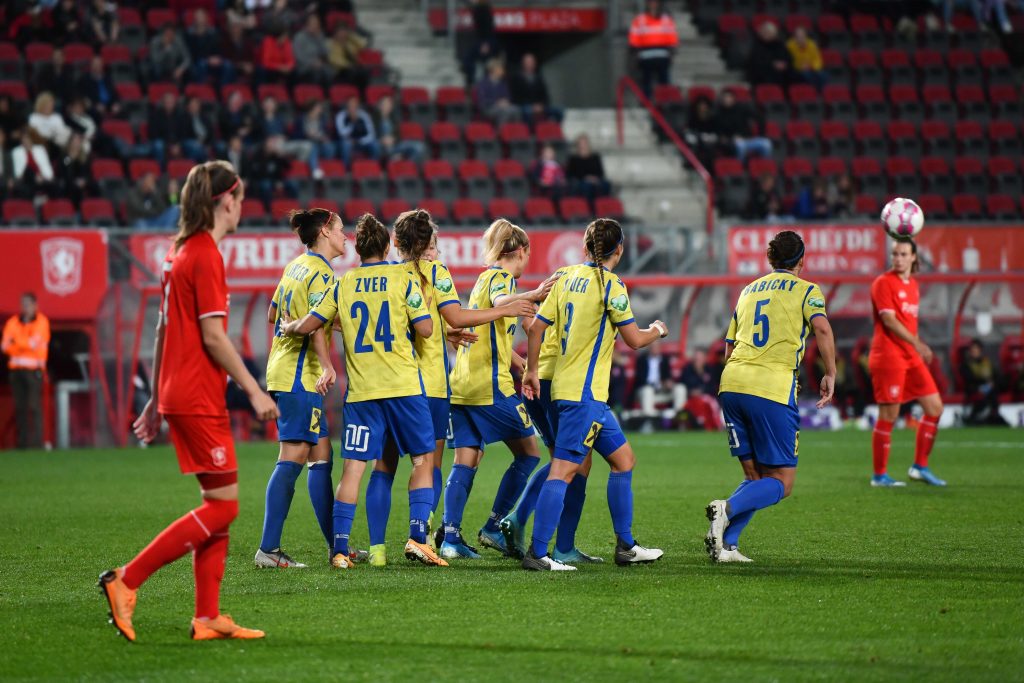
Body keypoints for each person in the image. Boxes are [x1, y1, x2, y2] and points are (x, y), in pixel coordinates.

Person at [102, 160, 278, 643]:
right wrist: (254, 389)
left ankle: (207, 617)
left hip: (181, 391)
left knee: (216, 503)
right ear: (227, 200)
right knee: (223, 510)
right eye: (239, 200)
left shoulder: (176, 252)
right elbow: (215, 338)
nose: (242, 208)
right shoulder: (203, 255)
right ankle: (126, 580)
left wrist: (156, 398)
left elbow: (162, 330)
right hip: (199, 394)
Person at [361, 209, 535, 565]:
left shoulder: (391, 275)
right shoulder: (437, 272)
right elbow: (457, 314)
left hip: (389, 382)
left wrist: (445, 332)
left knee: (384, 465)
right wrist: (499, 312)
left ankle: (381, 549)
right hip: (433, 385)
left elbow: (412, 324)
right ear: (428, 244)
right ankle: (421, 537)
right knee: (430, 463)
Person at [279, 214, 448, 569]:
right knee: (423, 460)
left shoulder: (343, 283)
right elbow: (428, 329)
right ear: (388, 246)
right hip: (404, 387)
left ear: (357, 248)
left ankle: (340, 549)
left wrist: (289, 325)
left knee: (354, 469)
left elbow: (311, 323)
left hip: (361, 394)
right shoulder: (402, 277)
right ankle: (418, 538)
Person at [522, 218, 667, 570]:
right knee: (563, 470)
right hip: (582, 397)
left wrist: (529, 369)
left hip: (575, 393)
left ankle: (627, 547)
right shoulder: (612, 285)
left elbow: (536, 328)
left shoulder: (566, 277)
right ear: (620, 249)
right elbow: (633, 340)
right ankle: (538, 554)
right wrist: (656, 330)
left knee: (624, 460)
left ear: (587, 248)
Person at [705, 230, 837, 563]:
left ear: (770, 259)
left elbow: (729, 344)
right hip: (771, 387)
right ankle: (726, 509)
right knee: (782, 482)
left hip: (732, 382)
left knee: (755, 476)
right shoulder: (808, 290)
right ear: (802, 260)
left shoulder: (748, 291)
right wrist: (830, 373)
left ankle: (728, 545)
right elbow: (821, 328)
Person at [441, 219, 555, 560]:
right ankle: (494, 526)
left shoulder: (482, 277)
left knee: (467, 458)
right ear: (520, 252)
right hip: (489, 387)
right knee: (530, 453)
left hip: (461, 383)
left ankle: (451, 538)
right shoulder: (502, 278)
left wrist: (519, 364)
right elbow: (504, 299)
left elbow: (493, 333)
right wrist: (532, 294)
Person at [254, 209, 346, 568]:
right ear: (325, 231)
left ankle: (336, 547)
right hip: (299, 377)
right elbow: (314, 325)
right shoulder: (323, 273)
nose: (345, 237)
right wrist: (326, 364)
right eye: (340, 230)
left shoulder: (295, 266)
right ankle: (268, 549)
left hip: (285, 369)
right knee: (291, 457)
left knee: (322, 456)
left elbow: (272, 314)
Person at [498, 261, 606, 566]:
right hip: (558, 382)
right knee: (575, 463)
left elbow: (530, 327)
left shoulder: (558, 281)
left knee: (562, 460)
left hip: (539, 381)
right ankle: (554, 545)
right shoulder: (589, 286)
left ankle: (520, 521)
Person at [868, 239, 946, 487]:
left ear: (914, 258)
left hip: (910, 356)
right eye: (895, 254)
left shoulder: (912, 284)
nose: (898, 258)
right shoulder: (883, 283)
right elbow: (889, 321)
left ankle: (920, 466)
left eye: (903, 254)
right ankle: (879, 475)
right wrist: (918, 343)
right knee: (889, 414)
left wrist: (914, 346)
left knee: (934, 407)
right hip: (889, 356)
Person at [2, 293, 49, 449]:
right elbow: (4, 346)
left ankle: (37, 444)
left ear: (35, 305)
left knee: (34, 406)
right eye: (22, 304)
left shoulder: (42, 322)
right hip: (16, 371)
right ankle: (22, 444)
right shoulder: (12, 322)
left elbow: (33, 344)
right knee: (20, 407)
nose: (25, 307)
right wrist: (22, 344)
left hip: (34, 371)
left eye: (28, 304)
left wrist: (15, 343)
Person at [628, 0, 679, 98]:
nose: (653, 5)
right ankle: (647, 103)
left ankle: (665, 102)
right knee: (646, 82)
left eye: (655, 2)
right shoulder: (639, 20)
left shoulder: (666, 20)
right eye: (651, 2)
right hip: (645, 56)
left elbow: (673, 39)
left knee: (664, 82)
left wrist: (672, 53)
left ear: (659, 4)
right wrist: (636, 54)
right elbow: (633, 40)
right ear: (647, 4)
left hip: (663, 55)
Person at [632, 339, 687, 421]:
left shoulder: (665, 360)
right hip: (645, 391)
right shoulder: (642, 360)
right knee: (648, 390)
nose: (655, 349)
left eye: (657, 346)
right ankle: (652, 419)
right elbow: (640, 379)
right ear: (649, 347)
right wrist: (655, 384)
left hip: (663, 391)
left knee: (680, 388)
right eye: (653, 346)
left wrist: (668, 383)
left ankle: (678, 416)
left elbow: (668, 376)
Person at [716, 90, 772, 163]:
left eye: (729, 97)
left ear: (734, 99)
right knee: (740, 145)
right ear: (721, 100)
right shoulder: (719, 114)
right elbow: (719, 133)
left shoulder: (742, 108)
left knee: (766, 143)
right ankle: (740, 167)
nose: (727, 100)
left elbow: (759, 117)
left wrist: (761, 134)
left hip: (748, 139)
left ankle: (764, 166)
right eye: (725, 98)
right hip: (733, 141)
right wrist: (729, 138)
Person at [960, 340, 1007, 425]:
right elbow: (969, 379)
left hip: (991, 388)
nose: (974, 351)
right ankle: (980, 417)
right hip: (975, 388)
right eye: (972, 349)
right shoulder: (966, 364)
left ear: (980, 350)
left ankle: (993, 414)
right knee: (987, 394)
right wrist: (985, 383)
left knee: (994, 390)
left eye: (976, 349)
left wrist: (992, 383)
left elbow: (997, 375)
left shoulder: (987, 362)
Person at [509, 53, 563, 125]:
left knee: (559, 111)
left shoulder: (539, 78)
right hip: (524, 105)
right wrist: (532, 106)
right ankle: (532, 132)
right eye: (528, 62)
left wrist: (542, 105)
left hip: (540, 106)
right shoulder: (517, 78)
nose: (530, 64)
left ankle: (553, 130)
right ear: (523, 63)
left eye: (532, 62)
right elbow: (515, 97)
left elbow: (545, 95)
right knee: (527, 111)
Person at [186, 9, 232, 86]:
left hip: (213, 60)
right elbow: (191, 53)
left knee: (228, 65)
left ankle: (223, 91)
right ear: (195, 18)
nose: (200, 19)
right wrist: (207, 59)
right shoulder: (190, 34)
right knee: (201, 65)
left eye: (202, 16)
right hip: (198, 61)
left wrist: (217, 58)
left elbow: (218, 48)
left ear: (206, 18)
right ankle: (201, 90)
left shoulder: (213, 33)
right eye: (198, 16)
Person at [565, 134, 610, 207]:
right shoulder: (573, 159)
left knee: (606, 184)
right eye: (581, 143)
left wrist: (595, 178)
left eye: (584, 143)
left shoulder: (595, 157)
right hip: (581, 180)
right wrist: (586, 178)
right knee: (586, 186)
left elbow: (600, 172)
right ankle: (589, 208)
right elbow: (570, 173)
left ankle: (604, 207)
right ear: (578, 145)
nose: (583, 145)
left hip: (595, 179)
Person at [462, 0, 499, 87]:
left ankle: (474, 82)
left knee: (470, 60)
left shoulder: (484, 9)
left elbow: (489, 27)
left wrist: (486, 44)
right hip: (482, 40)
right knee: (469, 60)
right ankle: (473, 80)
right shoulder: (478, 9)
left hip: (487, 41)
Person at [327, 22, 369, 95]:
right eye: (340, 32)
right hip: (338, 71)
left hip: (352, 69)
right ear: (335, 33)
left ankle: (362, 94)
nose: (342, 35)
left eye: (344, 32)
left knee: (364, 71)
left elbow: (363, 44)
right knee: (353, 72)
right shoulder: (331, 44)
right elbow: (334, 60)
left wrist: (351, 36)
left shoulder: (349, 43)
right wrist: (349, 65)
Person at [474, 60, 520, 125]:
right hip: (488, 108)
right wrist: (497, 102)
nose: (503, 71)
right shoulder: (482, 83)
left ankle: (516, 132)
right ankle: (500, 132)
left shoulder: (503, 83)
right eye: (500, 69)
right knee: (504, 112)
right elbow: (482, 100)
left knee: (516, 109)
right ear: (493, 70)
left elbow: (508, 96)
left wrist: (506, 101)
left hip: (503, 106)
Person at [335, 96, 380, 164]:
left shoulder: (364, 115)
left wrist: (361, 141)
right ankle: (347, 169)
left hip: (363, 142)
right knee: (346, 144)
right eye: (350, 105)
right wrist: (352, 123)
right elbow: (342, 133)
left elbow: (371, 133)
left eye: (354, 105)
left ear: (357, 105)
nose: (352, 107)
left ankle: (373, 165)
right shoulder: (341, 115)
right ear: (346, 105)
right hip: (349, 142)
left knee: (375, 144)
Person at [748, 21, 792, 87]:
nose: (768, 35)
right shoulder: (756, 45)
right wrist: (773, 64)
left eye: (771, 33)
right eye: (766, 32)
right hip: (763, 73)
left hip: (781, 71)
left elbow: (788, 57)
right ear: (761, 33)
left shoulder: (779, 44)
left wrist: (784, 64)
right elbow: (756, 61)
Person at [293, 14, 331, 87]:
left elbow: (326, 52)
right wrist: (312, 63)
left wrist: (319, 39)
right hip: (304, 67)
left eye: (317, 24)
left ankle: (329, 95)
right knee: (317, 73)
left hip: (319, 65)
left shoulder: (320, 36)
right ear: (307, 25)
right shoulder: (299, 37)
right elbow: (298, 56)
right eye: (313, 24)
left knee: (329, 71)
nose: (316, 26)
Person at [786, 26, 825, 91]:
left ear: (805, 35)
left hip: (811, 67)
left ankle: (821, 92)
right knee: (806, 74)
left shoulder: (812, 44)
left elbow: (817, 59)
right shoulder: (789, 45)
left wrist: (812, 66)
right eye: (798, 35)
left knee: (823, 75)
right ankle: (813, 91)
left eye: (802, 34)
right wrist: (801, 66)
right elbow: (790, 60)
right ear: (794, 36)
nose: (800, 37)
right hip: (797, 68)